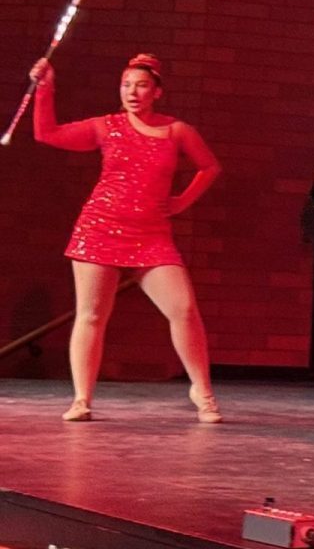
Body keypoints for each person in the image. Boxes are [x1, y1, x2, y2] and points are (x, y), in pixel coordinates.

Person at [30, 53, 223, 423]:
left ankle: (203, 391)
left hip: (152, 235)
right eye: (126, 85)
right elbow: (47, 133)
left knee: (183, 309)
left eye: (141, 85)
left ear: (157, 92)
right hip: (99, 227)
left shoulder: (176, 131)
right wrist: (45, 88)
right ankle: (82, 399)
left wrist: (182, 200)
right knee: (91, 315)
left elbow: (209, 166)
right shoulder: (106, 126)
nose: (132, 92)